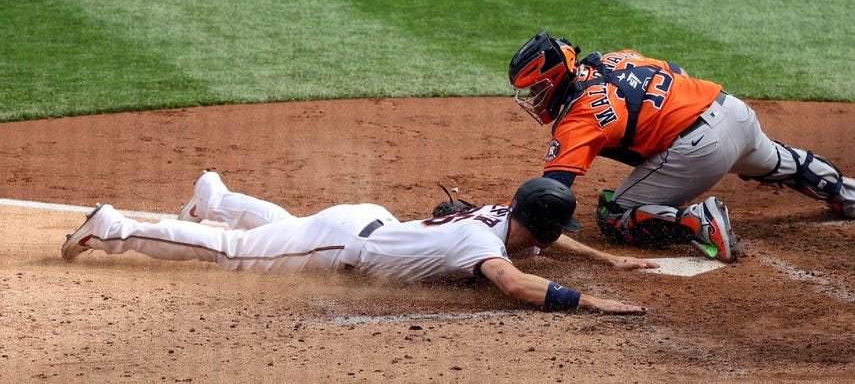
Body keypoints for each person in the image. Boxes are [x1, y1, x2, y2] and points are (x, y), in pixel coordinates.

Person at [62, 171, 660, 314]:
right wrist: (589, 301)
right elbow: (512, 282)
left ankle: (214, 196)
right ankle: (112, 227)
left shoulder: (508, 217)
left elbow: (547, 245)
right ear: (545, 226)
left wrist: (604, 257)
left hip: (363, 220)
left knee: (280, 231)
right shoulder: (484, 246)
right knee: (234, 253)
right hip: (340, 243)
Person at [507, 31, 855, 263]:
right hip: (732, 111)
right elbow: (675, 71)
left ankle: (699, 221)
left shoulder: (578, 120)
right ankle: (846, 192)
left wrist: (502, 222)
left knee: (613, 216)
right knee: (774, 160)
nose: (534, 100)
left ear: (554, 80)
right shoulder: (617, 58)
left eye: (536, 90)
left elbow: (550, 196)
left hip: (698, 150)